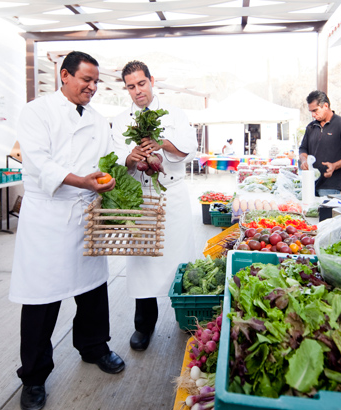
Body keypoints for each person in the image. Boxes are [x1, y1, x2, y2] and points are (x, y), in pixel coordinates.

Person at [10, 51, 125, 410]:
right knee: (42, 297)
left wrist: (131, 161)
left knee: (92, 288)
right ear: (64, 76)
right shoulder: (36, 111)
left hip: (85, 215)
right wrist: (82, 182)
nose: (92, 87)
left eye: (95, 82)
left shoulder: (96, 118)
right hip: (48, 215)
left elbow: (110, 160)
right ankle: (34, 376)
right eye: (85, 80)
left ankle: (94, 348)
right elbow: (39, 161)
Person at [111, 60, 197, 352]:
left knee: (179, 260)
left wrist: (163, 143)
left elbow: (189, 148)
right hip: (141, 198)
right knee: (142, 262)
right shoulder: (121, 119)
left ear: (151, 80)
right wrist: (130, 156)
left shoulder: (175, 113)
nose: (137, 91)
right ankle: (143, 326)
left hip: (171, 194)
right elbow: (114, 155)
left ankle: (186, 320)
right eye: (131, 87)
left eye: (141, 83)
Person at [298, 90, 341, 197]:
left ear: (325, 106)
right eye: (311, 112)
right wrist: (304, 160)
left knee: (326, 213)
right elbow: (303, 149)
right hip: (310, 183)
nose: (313, 115)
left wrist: (334, 166)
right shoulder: (310, 127)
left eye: (315, 110)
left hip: (330, 186)